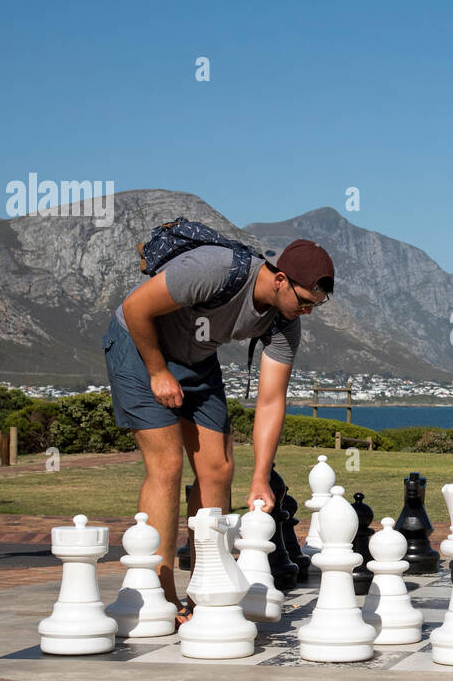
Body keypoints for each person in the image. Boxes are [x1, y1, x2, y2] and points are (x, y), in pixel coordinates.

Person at [102, 235, 333, 621]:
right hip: (140, 346)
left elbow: (271, 401)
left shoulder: (284, 324)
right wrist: (158, 372)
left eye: (316, 305)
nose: (307, 312)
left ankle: (205, 592)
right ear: (280, 280)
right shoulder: (215, 270)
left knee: (218, 469)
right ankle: (162, 597)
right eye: (305, 301)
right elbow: (136, 307)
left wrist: (260, 476)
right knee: (167, 464)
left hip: (197, 362)